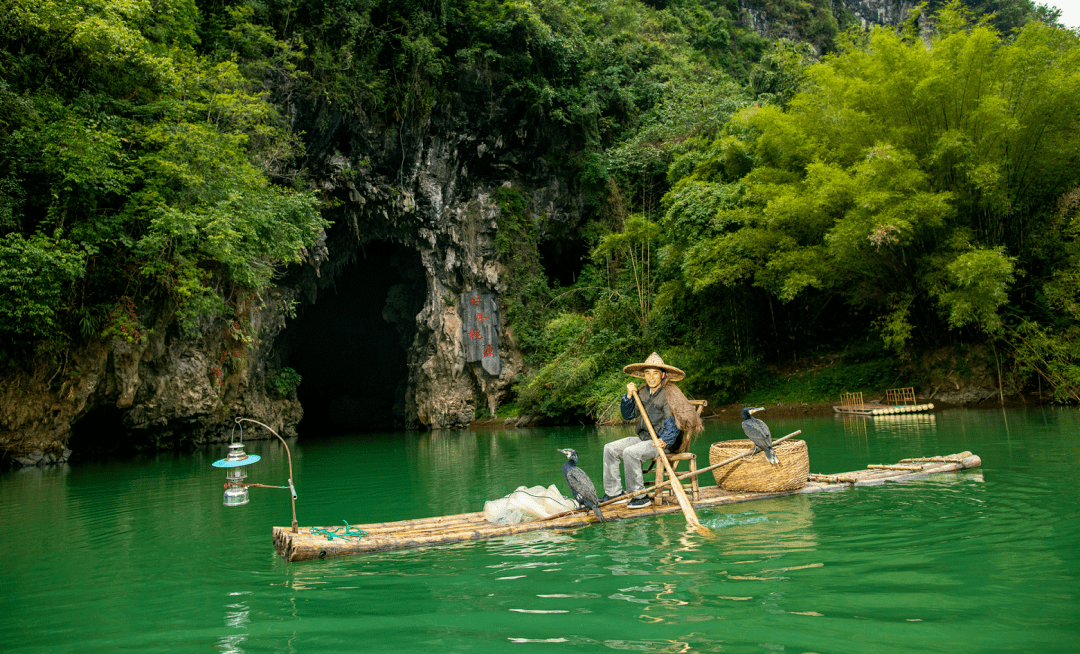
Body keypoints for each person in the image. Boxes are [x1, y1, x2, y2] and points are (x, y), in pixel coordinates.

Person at [602, 352, 703, 509]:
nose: (651, 377)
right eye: (647, 373)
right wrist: (628, 396)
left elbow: (674, 421)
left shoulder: (669, 392)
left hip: (664, 442)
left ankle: (640, 496)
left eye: (655, 373)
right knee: (609, 448)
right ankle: (615, 493)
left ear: (663, 375)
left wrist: (665, 440)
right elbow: (628, 415)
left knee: (630, 452)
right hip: (645, 439)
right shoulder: (642, 391)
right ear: (643, 375)